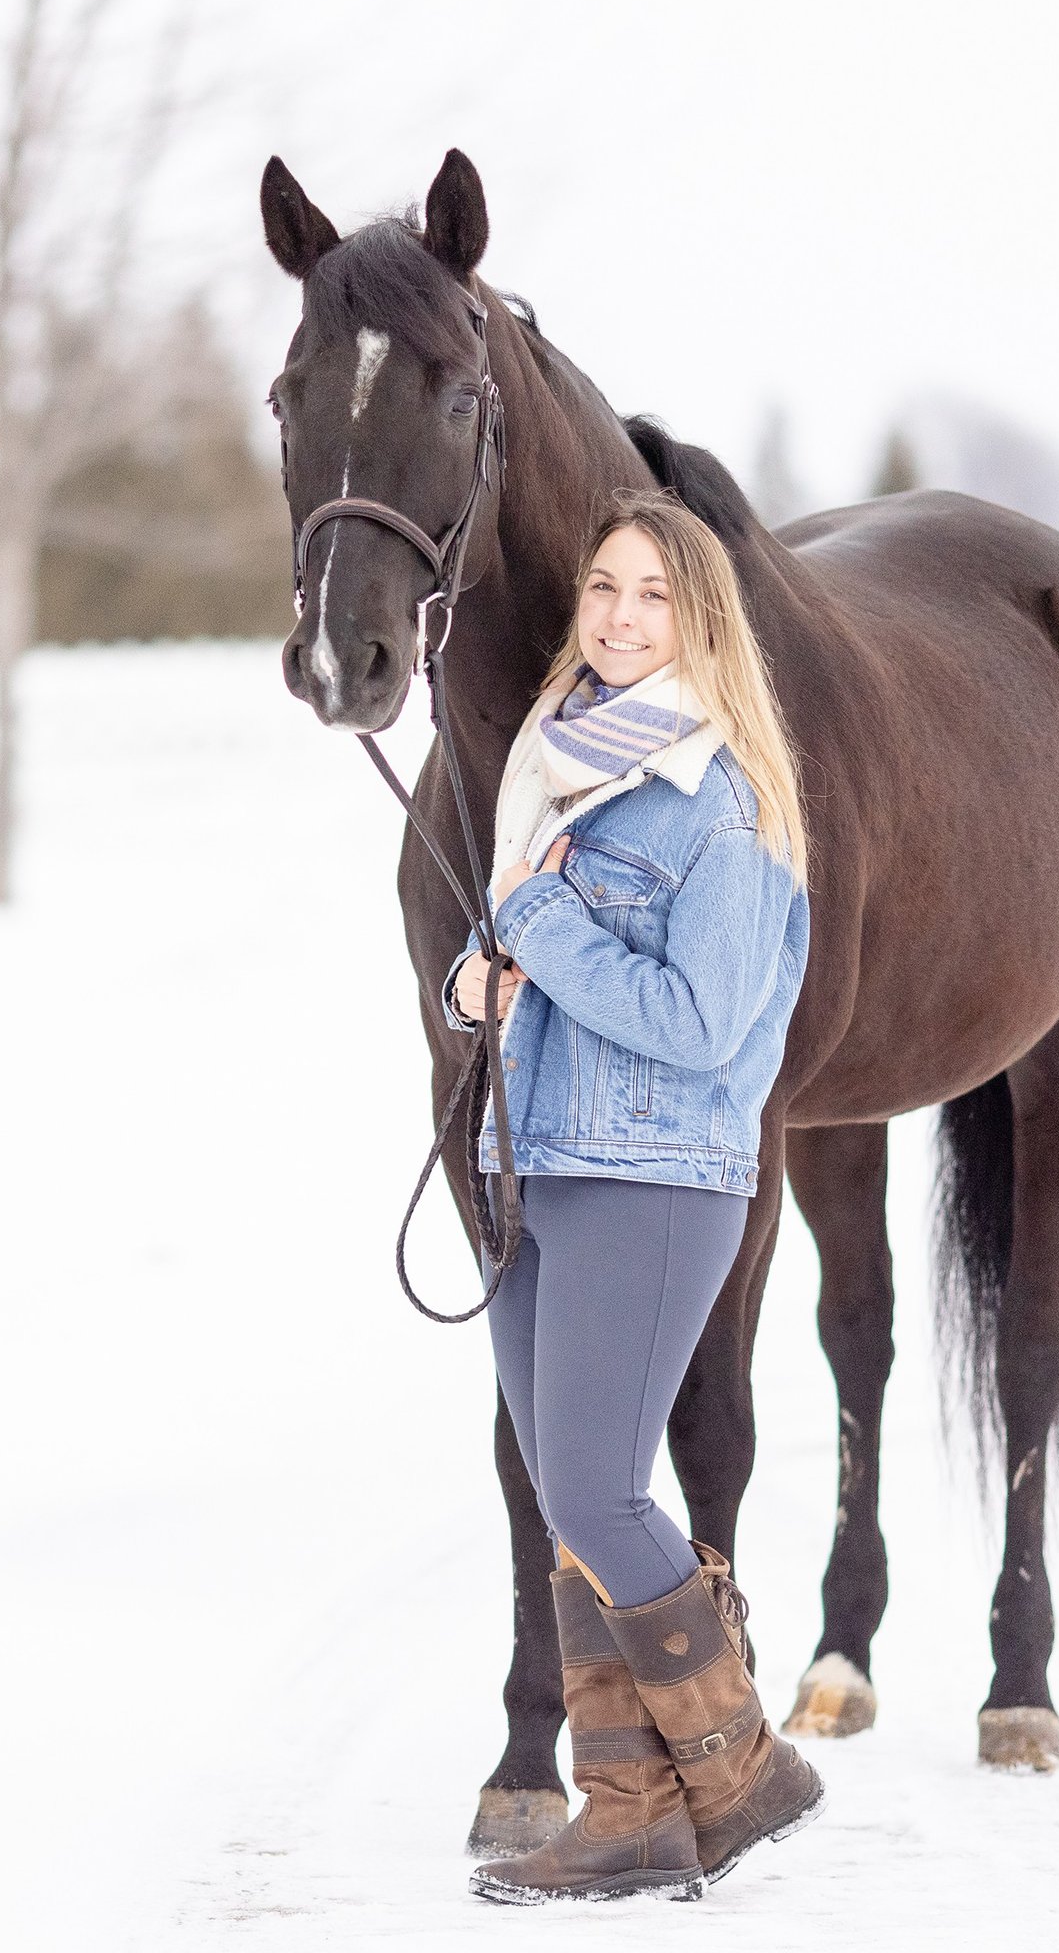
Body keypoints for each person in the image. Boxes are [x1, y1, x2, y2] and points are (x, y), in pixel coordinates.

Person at [446, 490, 823, 1905]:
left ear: (700, 621)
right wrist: (475, 979)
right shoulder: (560, 771)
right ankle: (629, 1807)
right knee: (566, 1495)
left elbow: (702, 1020)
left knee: (603, 1490)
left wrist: (535, 928)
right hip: (534, 1160)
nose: (616, 615)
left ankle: (736, 1769)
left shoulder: (721, 806)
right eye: (604, 587)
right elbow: (512, 960)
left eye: (653, 595)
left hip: (653, 1176)